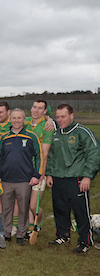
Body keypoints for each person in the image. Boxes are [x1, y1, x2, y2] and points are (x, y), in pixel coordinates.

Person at [46, 103, 100, 253]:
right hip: (58, 179)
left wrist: (87, 176)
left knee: (80, 211)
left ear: (71, 115)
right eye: (58, 117)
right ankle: (63, 235)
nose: (60, 120)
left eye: (63, 116)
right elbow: (52, 157)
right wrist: (49, 173)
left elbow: (94, 154)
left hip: (77, 179)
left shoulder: (83, 132)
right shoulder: (56, 134)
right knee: (60, 209)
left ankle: (85, 240)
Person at [0, 108, 41, 245]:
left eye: (19, 118)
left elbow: (39, 156)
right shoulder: (5, 137)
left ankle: (21, 234)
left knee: (23, 208)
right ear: (10, 119)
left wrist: (36, 175)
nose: (16, 120)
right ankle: (7, 233)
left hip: (25, 180)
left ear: (24, 119)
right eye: (14, 118)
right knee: (6, 208)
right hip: (7, 180)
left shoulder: (31, 136)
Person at [25, 99, 54, 234]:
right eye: (34, 107)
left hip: (37, 169)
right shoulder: (25, 122)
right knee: (24, 203)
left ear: (45, 111)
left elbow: (45, 152)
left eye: (40, 108)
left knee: (33, 206)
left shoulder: (47, 126)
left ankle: (39, 221)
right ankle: (31, 227)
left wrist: (41, 171)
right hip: (23, 168)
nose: (36, 110)